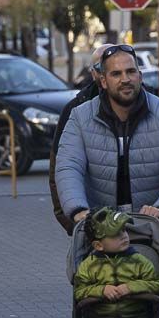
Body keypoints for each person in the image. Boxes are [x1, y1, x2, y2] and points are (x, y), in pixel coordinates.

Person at [55, 44, 159, 256]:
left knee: (150, 286)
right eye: (116, 73)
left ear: (140, 75)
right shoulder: (80, 117)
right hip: (99, 231)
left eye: (131, 71)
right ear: (103, 81)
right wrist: (77, 210)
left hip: (150, 228)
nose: (125, 79)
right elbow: (68, 166)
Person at [50, 43, 113, 234]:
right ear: (94, 74)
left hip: (143, 223)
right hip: (93, 224)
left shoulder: (152, 105)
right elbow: (59, 169)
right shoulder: (75, 110)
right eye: (104, 69)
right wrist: (73, 220)